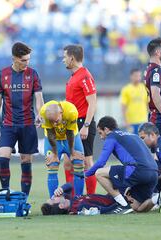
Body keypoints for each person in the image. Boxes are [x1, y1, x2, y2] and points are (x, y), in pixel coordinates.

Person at [0, 42, 44, 197]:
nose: (27, 63)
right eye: (23, 60)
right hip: (8, 124)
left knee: (26, 162)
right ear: (14, 58)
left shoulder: (33, 74)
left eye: (28, 60)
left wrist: (41, 113)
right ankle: (5, 191)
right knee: (3, 157)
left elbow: (39, 98)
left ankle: (23, 199)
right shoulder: (3, 74)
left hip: (28, 124)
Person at [85, 116, 159, 213]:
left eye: (100, 133)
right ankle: (157, 198)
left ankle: (123, 205)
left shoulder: (111, 136)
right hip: (154, 173)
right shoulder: (133, 135)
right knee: (136, 207)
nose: (101, 137)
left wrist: (86, 174)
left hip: (137, 170)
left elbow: (101, 163)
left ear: (106, 130)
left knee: (99, 173)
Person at [63, 44, 97, 194]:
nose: (63, 60)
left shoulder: (85, 76)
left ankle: (90, 198)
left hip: (83, 123)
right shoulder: (74, 77)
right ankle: (72, 199)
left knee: (86, 162)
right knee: (68, 162)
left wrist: (87, 125)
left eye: (65, 57)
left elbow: (93, 102)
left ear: (71, 57)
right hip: (71, 124)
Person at [40, 100, 85, 197]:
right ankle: (53, 200)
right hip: (53, 139)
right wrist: (55, 154)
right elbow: (50, 133)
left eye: (56, 121)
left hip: (72, 137)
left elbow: (70, 133)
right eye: (51, 122)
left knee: (79, 163)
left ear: (61, 113)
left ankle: (78, 199)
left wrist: (72, 152)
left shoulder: (71, 111)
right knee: (52, 165)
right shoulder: (44, 112)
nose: (55, 124)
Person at [41, 183, 122, 215]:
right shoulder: (79, 207)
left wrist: (61, 188)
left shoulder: (70, 200)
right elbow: (105, 210)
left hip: (113, 194)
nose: (54, 196)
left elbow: (69, 186)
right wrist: (120, 203)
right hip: (116, 199)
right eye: (53, 199)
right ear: (61, 206)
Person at [119, 68, 148, 134]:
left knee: (143, 142)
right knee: (132, 142)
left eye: (139, 76)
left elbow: (147, 104)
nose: (138, 78)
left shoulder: (144, 88)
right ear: (131, 76)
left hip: (143, 121)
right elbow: (123, 106)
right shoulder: (126, 89)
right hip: (131, 122)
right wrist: (125, 120)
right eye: (136, 76)